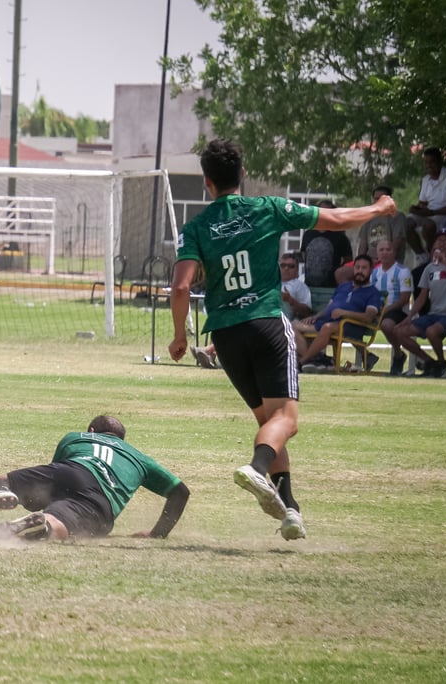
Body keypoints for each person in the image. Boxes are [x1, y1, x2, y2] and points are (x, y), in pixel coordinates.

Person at [168, 138, 398, 541]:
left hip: (226, 333)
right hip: (267, 325)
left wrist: (178, 336)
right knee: (285, 421)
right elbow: (336, 219)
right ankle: (257, 470)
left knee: (269, 423)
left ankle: (290, 509)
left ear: (207, 182)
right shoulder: (267, 208)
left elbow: (181, 287)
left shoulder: (196, 228)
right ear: (242, 175)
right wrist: (379, 208)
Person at [0, 415, 189, 541]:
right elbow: (180, 491)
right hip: (100, 496)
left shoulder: (75, 437)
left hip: (69, 469)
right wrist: (158, 534)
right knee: (60, 520)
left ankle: (2, 490)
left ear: (91, 430)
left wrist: (30, 496)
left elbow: (49, 488)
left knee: (2, 479)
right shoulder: (139, 458)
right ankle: (44, 525)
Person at [385, 230, 446, 378]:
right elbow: (422, 297)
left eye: (445, 241)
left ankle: (442, 362)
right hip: (434, 314)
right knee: (399, 332)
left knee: (432, 331)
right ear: (433, 245)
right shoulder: (429, 268)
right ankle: (430, 362)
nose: (441, 244)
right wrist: (409, 317)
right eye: (439, 241)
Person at [292, 254, 382, 370]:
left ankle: (302, 362)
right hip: (329, 322)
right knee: (293, 325)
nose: (360, 271)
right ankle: (312, 359)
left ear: (370, 270)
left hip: (351, 326)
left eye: (364, 268)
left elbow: (368, 317)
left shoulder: (373, 292)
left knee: (327, 327)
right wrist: (315, 317)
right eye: (357, 267)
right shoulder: (344, 286)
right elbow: (329, 307)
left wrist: (344, 313)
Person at [370, 239, 414, 375]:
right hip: (377, 311)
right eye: (381, 250)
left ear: (394, 252)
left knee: (387, 325)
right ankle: (366, 356)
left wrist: (384, 310)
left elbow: (404, 299)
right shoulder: (374, 273)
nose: (385, 253)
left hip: (397, 310)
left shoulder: (403, 271)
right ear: (377, 254)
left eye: (388, 249)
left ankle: (398, 355)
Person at [405, 147, 446, 264]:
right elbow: (423, 203)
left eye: (432, 162)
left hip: (445, 214)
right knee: (405, 223)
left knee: (428, 225)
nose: (429, 166)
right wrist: (416, 209)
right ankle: (422, 256)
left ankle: (433, 253)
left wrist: (432, 212)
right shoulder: (425, 180)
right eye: (426, 162)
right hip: (429, 213)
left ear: (440, 162)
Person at [301, 201, 353, 289]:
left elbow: (348, 260)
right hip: (309, 286)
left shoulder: (340, 236)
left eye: (328, 212)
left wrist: (337, 273)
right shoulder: (308, 234)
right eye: (322, 211)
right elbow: (303, 254)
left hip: (330, 287)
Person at [356, 186, 407, 264]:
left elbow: (396, 243)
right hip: (369, 261)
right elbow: (363, 245)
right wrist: (359, 262)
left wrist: (381, 260)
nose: (378, 201)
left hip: (388, 262)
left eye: (381, 199)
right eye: (376, 199)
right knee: (342, 270)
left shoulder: (398, 217)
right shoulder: (368, 218)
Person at [279, 251, 313, 320]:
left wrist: (290, 300)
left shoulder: (300, 286)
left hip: (282, 321)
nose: (286, 268)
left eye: (291, 266)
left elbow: (307, 312)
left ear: (297, 270)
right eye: (283, 265)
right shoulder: (271, 282)